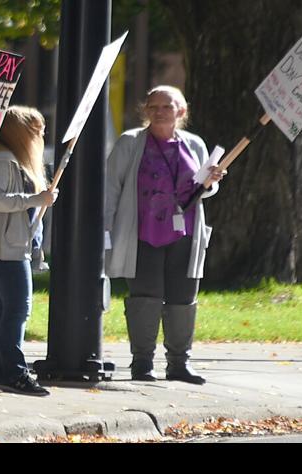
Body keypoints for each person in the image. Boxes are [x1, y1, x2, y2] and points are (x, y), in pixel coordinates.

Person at [104, 85, 226, 384]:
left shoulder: (194, 144)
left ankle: (179, 364)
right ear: (145, 110)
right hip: (142, 233)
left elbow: (202, 189)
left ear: (181, 112)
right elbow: (110, 189)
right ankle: (142, 363)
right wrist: (105, 231)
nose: (158, 112)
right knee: (145, 297)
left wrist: (211, 182)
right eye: (153, 106)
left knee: (183, 298)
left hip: (184, 233)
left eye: (166, 107)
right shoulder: (130, 143)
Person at [0, 105, 56, 395]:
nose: (41, 135)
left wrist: (37, 198)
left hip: (4, 241)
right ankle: (12, 372)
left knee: (3, 307)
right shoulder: (2, 159)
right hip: (2, 244)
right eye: (36, 130)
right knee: (17, 308)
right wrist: (33, 198)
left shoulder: (7, 158)